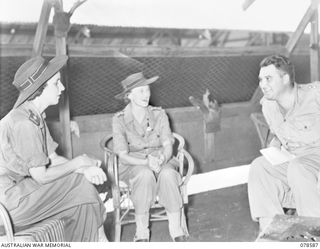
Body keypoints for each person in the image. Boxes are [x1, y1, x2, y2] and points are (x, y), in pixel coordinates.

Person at [0, 55, 108, 242]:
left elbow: (55, 159)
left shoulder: (34, 116)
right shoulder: (23, 123)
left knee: (81, 197)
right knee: (81, 186)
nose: (63, 88)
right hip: (8, 203)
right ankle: (101, 242)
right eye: (57, 83)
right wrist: (80, 162)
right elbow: (41, 176)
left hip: (21, 191)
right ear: (39, 89)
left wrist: (84, 169)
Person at [248, 54, 320, 234]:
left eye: (268, 79)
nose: (262, 84)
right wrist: (275, 142)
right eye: (261, 79)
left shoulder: (315, 94)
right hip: (294, 158)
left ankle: (313, 234)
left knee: (298, 167)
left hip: (315, 158)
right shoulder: (268, 105)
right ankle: (273, 232)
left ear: (285, 78)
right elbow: (278, 131)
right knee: (259, 167)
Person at [112, 72, 189, 242]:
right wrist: (146, 162)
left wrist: (162, 158)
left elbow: (168, 144)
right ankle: (142, 233)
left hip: (161, 158)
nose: (146, 95)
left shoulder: (159, 114)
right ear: (129, 95)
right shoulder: (119, 120)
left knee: (168, 174)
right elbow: (123, 155)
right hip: (134, 164)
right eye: (140, 91)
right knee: (144, 174)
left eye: (147, 90)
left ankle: (176, 229)